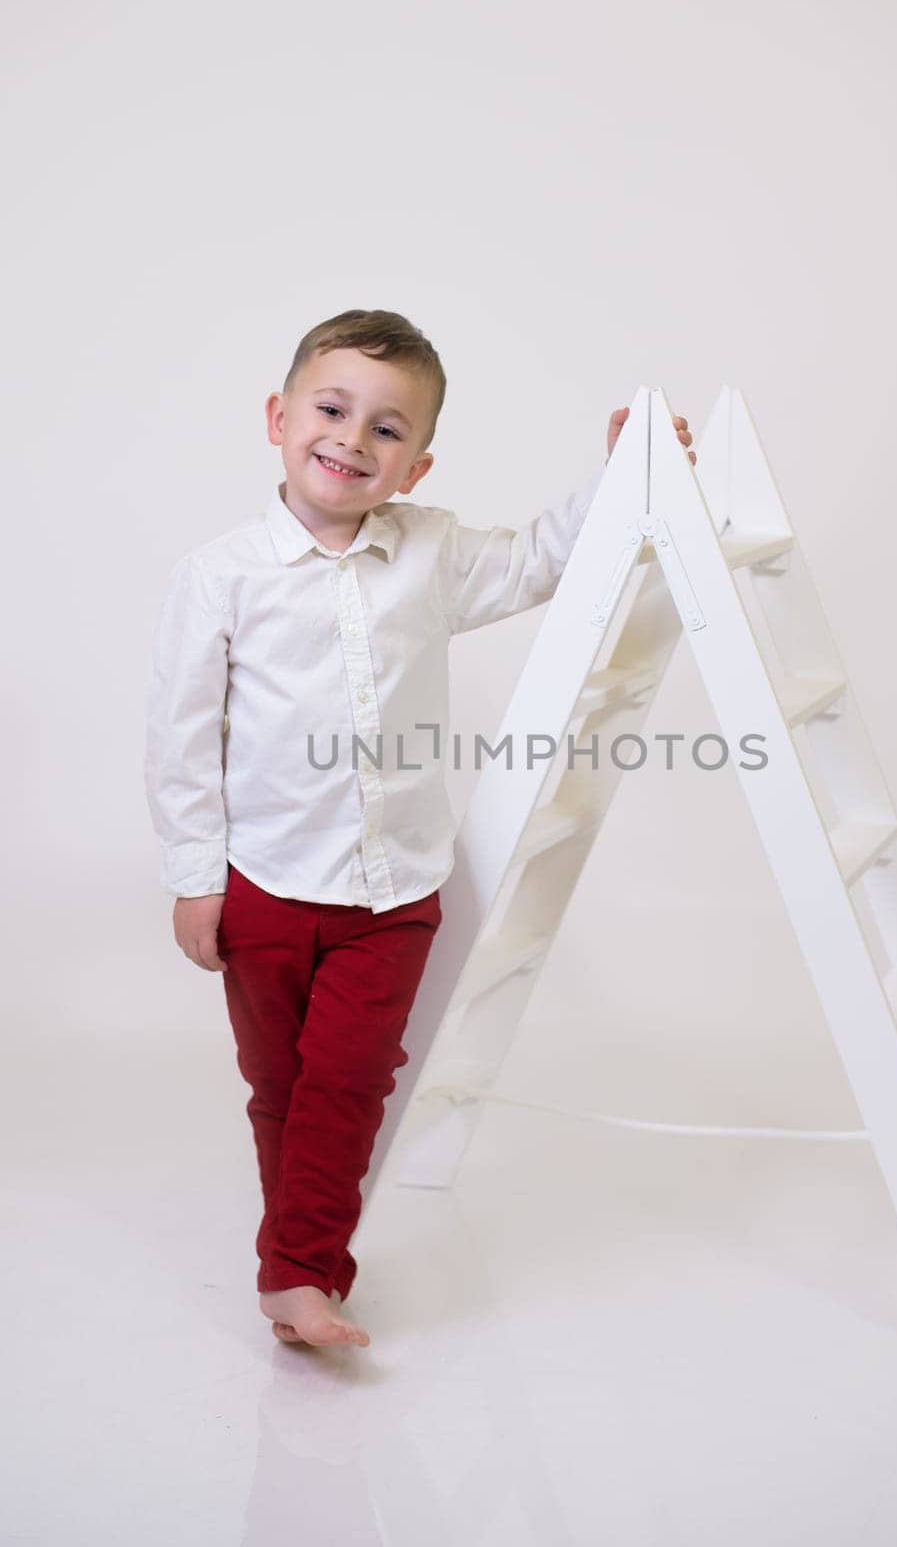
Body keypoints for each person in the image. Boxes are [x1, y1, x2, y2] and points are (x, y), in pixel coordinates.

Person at [143, 308, 697, 1349]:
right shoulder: (219, 576)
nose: (354, 439)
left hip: (391, 893)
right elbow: (182, 739)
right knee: (280, 1086)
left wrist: (622, 475)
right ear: (278, 416)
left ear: (418, 464)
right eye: (333, 408)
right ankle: (293, 1247)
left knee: (348, 1080)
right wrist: (194, 875)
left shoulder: (432, 551)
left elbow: (542, 557)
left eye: (387, 429)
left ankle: (301, 1274)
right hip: (261, 884)